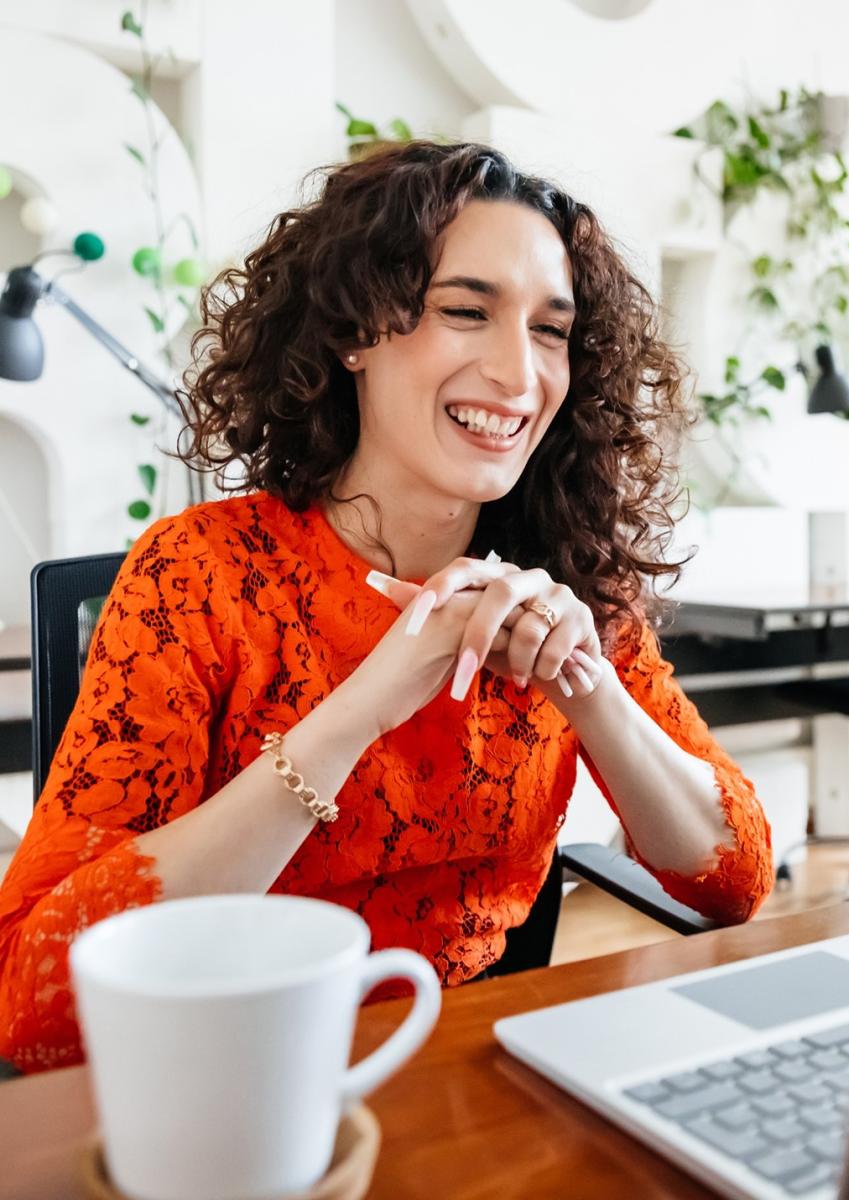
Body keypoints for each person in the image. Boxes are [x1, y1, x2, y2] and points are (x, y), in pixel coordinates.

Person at [0, 141, 773, 1074]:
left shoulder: (562, 580)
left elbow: (736, 883)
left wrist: (586, 682)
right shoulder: (197, 578)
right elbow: (31, 1002)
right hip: (236, 1088)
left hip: (472, 1085)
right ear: (352, 331)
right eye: (464, 311)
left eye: (551, 330)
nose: (519, 375)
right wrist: (366, 705)